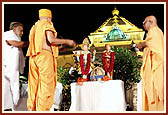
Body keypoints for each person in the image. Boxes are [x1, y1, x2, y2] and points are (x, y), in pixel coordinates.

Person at [26, 9, 76, 111]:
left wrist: (60, 48)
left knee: (34, 85)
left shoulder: (34, 27)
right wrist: (68, 41)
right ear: (49, 17)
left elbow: (43, 44)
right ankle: (42, 110)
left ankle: (33, 109)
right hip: (44, 58)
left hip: (34, 58)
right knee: (46, 84)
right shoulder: (47, 24)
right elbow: (51, 40)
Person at [136, 15, 164, 111]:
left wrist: (142, 44)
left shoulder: (154, 31)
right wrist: (143, 47)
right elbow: (151, 47)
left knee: (155, 92)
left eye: (144, 22)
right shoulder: (156, 33)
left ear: (150, 22)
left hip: (155, 68)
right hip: (152, 67)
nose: (143, 25)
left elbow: (154, 45)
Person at [3, 22, 28, 111]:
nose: (22, 33)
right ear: (14, 29)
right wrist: (30, 43)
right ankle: (8, 107)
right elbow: (16, 44)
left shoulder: (15, 37)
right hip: (7, 66)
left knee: (11, 87)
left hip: (12, 67)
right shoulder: (7, 34)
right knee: (8, 87)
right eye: (20, 30)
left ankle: (9, 107)